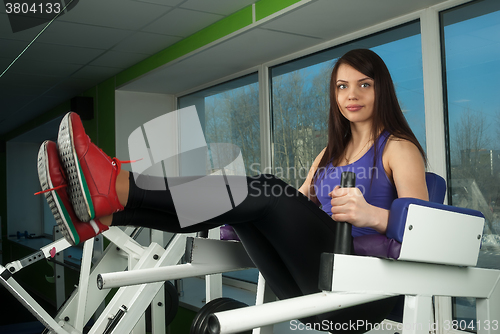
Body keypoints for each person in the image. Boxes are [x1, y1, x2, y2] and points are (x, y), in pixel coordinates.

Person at [36, 49, 428, 332]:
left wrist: (370, 215)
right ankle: (107, 215)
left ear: (382, 90)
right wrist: (228, 192)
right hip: (310, 285)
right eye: (342, 86)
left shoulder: (399, 149)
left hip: (361, 293)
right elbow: (300, 206)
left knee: (266, 189)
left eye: (363, 84)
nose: (351, 95)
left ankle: (117, 189)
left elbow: (425, 233)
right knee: (245, 200)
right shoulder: (328, 154)